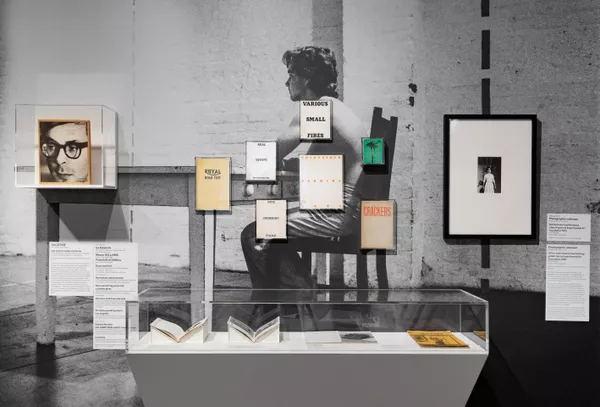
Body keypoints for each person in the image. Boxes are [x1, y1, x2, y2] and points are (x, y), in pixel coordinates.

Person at [241, 46, 366, 290]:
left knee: (254, 233)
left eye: (291, 74)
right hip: (349, 210)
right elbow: (310, 160)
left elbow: (270, 154)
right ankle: (298, 291)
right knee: (270, 229)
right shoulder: (333, 108)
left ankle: (292, 296)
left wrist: (263, 160)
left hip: (336, 213)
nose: (286, 82)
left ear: (307, 78)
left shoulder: (320, 109)